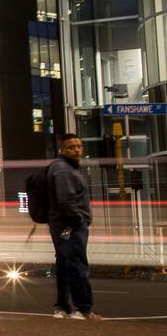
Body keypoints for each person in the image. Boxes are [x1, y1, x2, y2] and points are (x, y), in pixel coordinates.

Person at [48, 133, 101, 321]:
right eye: (71, 147)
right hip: (70, 225)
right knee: (77, 264)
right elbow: (65, 201)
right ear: (62, 150)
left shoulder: (67, 168)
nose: (77, 150)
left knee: (65, 264)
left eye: (79, 146)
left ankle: (63, 307)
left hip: (64, 224)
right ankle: (83, 309)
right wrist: (79, 219)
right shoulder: (63, 170)